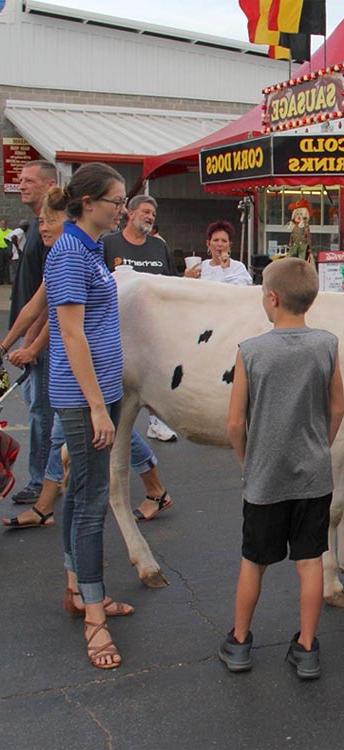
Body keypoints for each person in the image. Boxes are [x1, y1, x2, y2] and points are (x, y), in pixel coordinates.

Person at [0, 194, 173, 528]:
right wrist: (6, 345)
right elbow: (37, 307)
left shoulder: (77, 255)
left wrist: (33, 349)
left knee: (79, 430)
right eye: (40, 223)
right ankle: (153, 489)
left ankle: (49, 509)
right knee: (101, 428)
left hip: (93, 362)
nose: (42, 229)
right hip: (82, 363)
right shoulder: (66, 256)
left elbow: (65, 323)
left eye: (48, 221)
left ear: (70, 220)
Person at [219, 257, 344, 679]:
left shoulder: (250, 351)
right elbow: (337, 407)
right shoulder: (327, 344)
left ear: (271, 299)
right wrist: (319, 447)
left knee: (253, 560)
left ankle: (239, 641)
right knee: (310, 562)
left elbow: (235, 422)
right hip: (313, 475)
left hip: (264, 477)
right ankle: (307, 647)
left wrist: (247, 459)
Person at [44, 163, 134, 669]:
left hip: (101, 390)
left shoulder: (91, 249)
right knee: (93, 499)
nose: (122, 208)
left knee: (80, 491)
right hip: (83, 397)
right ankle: (94, 619)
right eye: (116, 200)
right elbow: (71, 335)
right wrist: (98, 405)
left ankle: (79, 590)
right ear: (87, 203)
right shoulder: (68, 254)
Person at [104, 195, 179, 443]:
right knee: (119, 388)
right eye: (146, 212)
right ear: (130, 213)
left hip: (152, 328)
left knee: (153, 379)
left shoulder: (159, 247)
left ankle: (156, 423)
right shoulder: (109, 244)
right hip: (115, 328)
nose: (150, 217)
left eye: (153, 215)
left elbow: (172, 282)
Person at [9, 160, 57, 505]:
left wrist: (33, 344)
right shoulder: (36, 231)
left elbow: (51, 303)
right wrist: (8, 341)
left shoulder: (54, 239)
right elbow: (32, 302)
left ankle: (42, 481)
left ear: (49, 185)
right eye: (20, 180)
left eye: (28, 181)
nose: (21, 185)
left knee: (43, 413)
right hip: (30, 337)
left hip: (45, 343)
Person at [184, 221, 252, 286]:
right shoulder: (201, 267)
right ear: (208, 244)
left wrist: (226, 269)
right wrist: (187, 278)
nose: (220, 244)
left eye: (224, 241)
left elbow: (241, 289)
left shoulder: (238, 267)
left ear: (229, 245)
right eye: (215, 240)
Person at [0, 218, 11, 284]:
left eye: (4, 224)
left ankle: (8, 280)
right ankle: (1, 281)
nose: (3, 225)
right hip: (0, 250)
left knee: (7, 266)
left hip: (7, 250)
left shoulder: (10, 231)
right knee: (0, 265)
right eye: (2, 224)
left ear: (6, 224)